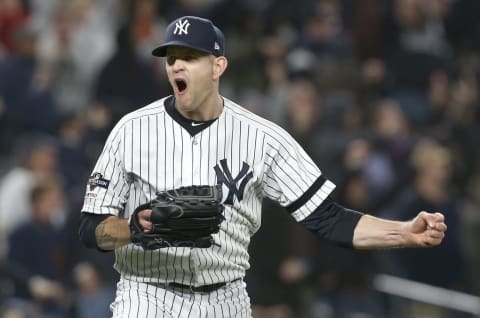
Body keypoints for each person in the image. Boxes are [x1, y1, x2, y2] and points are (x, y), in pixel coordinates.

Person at [78, 16, 447, 318]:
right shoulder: (132, 129)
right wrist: (135, 229)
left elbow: (329, 219)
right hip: (146, 296)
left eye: (190, 56)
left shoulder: (262, 138)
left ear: (218, 66)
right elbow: (90, 228)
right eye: (171, 57)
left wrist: (403, 232)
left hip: (225, 300)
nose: (177, 65)